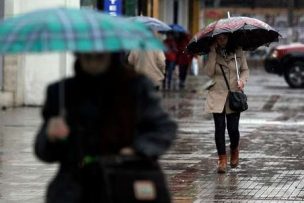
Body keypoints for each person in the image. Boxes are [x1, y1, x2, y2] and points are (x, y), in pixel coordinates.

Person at [35, 52, 177, 202]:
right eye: (87, 57)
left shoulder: (136, 87)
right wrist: (50, 136)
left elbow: (163, 128)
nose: (92, 63)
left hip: (123, 181)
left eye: (99, 56)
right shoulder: (61, 92)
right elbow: (44, 152)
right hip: (75, 187)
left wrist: (137, 149)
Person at [203, 33, 249, 173]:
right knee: (219, 127)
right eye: (218, 38)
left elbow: (245, 70)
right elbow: (209, 73)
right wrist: (211, 52)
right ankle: (222, 159)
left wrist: (242, 80)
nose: (221, 40)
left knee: (233, 129)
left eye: (224, 38)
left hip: (234, 94)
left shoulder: (238, 51)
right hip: (217, 94)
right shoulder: (213, 52)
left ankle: (234, 149)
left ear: (229, 38)